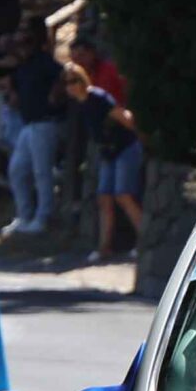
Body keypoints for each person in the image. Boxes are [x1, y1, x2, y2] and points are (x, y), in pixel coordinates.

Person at [64, 62, 143, 264]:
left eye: (75, 80)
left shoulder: (97, 97)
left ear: (83, 80)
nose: (71, 86)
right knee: (104, 198)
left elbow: (123, 118)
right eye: (67, 83)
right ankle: (103, 247)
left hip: (125, 147)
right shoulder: (80, 104)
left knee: (123, 195)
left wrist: (142, 138)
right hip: (108, 152)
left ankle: (145, 241)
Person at [0, 31, 67, 238]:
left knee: (42, 171)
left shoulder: (43, 62)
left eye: (25, 43)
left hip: (46, 122)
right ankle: (24, 215)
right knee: (17, 169)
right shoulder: (22, 68)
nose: (21, 48)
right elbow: (15, 92)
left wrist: (55, 94)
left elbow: (62, 74)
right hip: (28, 124)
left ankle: (43, 217)